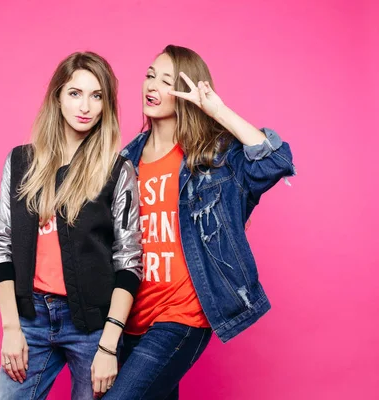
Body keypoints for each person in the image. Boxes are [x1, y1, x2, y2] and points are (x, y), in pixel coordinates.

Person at [105, 45, 295, 399]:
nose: (153, 86)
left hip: (182, 317)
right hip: (132, 317)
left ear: (185, 92)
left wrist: (216, 110)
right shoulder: (125, 161)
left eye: (166, 80)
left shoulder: (211, 157)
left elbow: (275, 162)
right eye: (150, 75)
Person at [0, 51, 143, 399]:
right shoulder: (20, 161)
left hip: (92, 328)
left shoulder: (117, 171)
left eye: (96, 95)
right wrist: (12, 327)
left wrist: (108, 345)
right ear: (57, 97)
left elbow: (129, 261)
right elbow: (1, 245)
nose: (85, 106)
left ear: (106, 105)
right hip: (30, 319)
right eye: (75, 93)